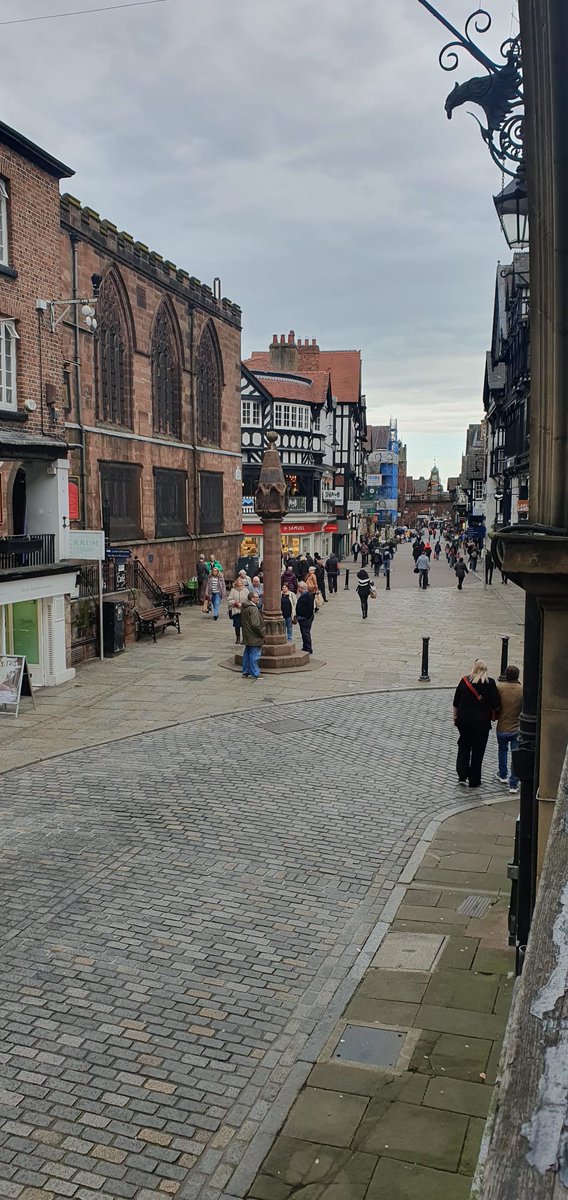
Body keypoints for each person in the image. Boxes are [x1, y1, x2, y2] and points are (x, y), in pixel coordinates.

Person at [452, 659, 500, 788]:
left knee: (464, 746)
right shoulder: (490, 683)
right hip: (482, 722)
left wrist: (455, 716)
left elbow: (456, 701)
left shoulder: (465, 681)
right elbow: (496, 703)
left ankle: (462, 775)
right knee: (478, 750)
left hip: (464, 721)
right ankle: (474, 779)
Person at [495, 665, 522, 793]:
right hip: (516, 728)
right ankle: (514, 783)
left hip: (502, 726)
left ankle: (502, 774)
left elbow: (495, 705)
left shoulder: (500, 688)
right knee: (515, 755)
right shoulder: (522, 690)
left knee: (502, 750)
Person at [240, 593, 265, 680]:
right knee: (255, 655)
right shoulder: (253, 609)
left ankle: (245, 672)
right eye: (256, 597)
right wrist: (262, 632)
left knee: (247, 653)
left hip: (247, 634)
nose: (258, 599)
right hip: (254, 636)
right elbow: (255, 624)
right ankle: (255, 673)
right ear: (252, 598)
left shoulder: (245, 607)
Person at [296, 580, 315, 653]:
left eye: (299, 587)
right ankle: (305, 646)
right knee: (303, 633)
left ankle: (308, 648)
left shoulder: (308, 595)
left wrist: (307, 617)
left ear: (302, 588)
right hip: (302, 617)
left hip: (305, 618)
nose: (298, 589)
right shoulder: (303, 595)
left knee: (306, 633)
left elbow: (310, 608)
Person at [227, 576, 247, 644]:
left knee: (244, 626)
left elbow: (248, 600)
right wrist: (235, 603)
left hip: (244, 611)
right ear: (236, 583)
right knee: (237, 625)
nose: (240, 584)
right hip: (235, 610)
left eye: (241, 583)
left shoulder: (246, 590)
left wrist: (242, 604)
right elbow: (229, 600)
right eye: (238, 583)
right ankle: (238, 638)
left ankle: (244, 639)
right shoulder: (233, 590)